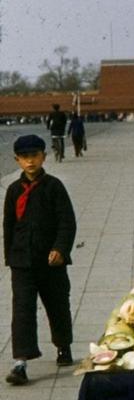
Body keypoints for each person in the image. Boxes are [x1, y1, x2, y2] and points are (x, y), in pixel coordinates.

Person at [3, 135, 77, 385]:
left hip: (50, 261)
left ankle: (63, 346)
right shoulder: (13, 191)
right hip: (22, 262)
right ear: (17, 160)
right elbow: (9, 226)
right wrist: (11, 257)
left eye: (34, 156)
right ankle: (21, 363)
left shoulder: (54, 186)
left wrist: (60, 249)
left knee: (57, 305)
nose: (30, 161)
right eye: (24, 157)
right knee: (22, 310)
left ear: (44, 157)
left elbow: (67, 222)